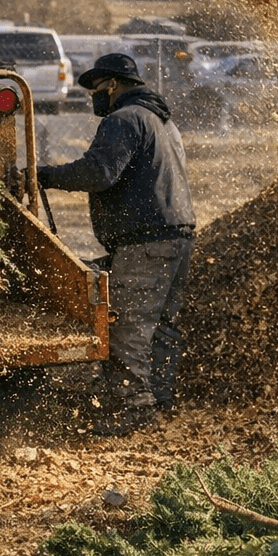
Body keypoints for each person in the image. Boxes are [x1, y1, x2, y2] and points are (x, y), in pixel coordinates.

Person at [38, 53, 195, 435]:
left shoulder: (124, 119)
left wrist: (44, 175)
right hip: (177, 236)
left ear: (112, 84)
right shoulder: (162, 121)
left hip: (146, 241)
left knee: (127, 328)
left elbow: (99, 172)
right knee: (161, 326)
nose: (93, 96)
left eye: (95, 88)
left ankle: (133, 411)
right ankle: (158, 402)